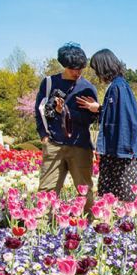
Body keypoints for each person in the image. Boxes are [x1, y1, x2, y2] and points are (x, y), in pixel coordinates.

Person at [34, 43, 98, 212]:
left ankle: (89, 227)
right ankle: (42, 227)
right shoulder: (49, 83)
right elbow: (39, 110)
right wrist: (44, 136)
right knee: (46, 190)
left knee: (84, 191)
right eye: (72, 69)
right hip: (54, 144)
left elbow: (90, 119)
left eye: (80, 69)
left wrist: (66, 113)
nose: (77, 73)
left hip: (80, 146)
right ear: (63, 65)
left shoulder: (87, 88)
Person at [76, 49, 137, 202]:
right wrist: (100, 109)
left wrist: (125, 150)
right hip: (117, 151)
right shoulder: (118, 86)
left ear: (103, 67)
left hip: (120, 153)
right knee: (113, 198)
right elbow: (115, 116)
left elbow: (126, 119)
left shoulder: (118, 87)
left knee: (122, 198)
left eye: (96, 70)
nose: (97, 74)